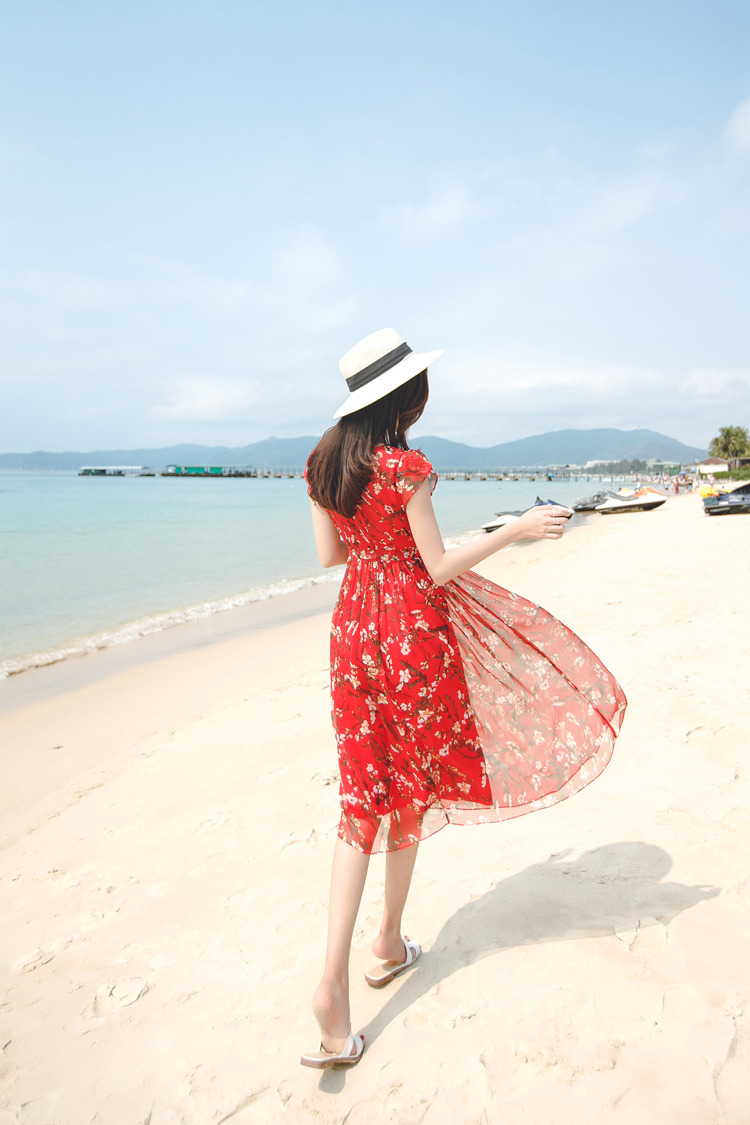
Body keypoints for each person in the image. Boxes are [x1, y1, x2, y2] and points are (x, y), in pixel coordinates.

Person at [300, 328, 627, 1069]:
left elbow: (328, 555)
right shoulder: (407, 467)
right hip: (411, 633)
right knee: (411, 788)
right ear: (403, 398)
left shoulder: (322, 463)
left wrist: (373, 544)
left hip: (353, 635)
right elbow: (440, 565)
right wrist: (518, 528)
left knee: (362, 798)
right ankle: (387, 939)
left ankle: (335, 977)